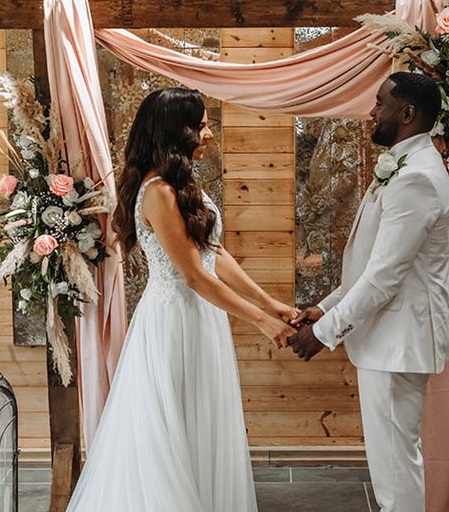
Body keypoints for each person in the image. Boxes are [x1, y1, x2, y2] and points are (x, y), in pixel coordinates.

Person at [67, 87, 298, 512]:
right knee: (169, 429)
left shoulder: (181, 184)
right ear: (179, 132)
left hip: (200, 317)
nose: (209, 135)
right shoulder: (158, 192)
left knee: (202, 422)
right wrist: (263, 323)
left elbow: (215, 255)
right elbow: (193, 276)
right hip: (174, 319)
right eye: (203, 125)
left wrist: (272, 304)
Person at [288, 71, 449, 512]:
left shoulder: (416, 177)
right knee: (392, 464)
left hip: (398, 341)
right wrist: (323, 309)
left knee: (396, 470)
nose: (371, 111)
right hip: (388, 340)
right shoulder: (404, 166)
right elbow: (368, 263)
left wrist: (324, 335)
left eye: (379, 103)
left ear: (407, 113)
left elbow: (384, 277)